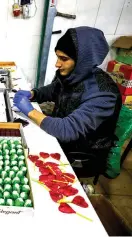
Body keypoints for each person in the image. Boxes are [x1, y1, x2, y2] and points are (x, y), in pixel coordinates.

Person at [13, 27, 122, 176]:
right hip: (62, 137)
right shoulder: (74, 75)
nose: (57, 64)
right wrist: (33, 94)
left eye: (64, 59)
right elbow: (54, 89)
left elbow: (67, 130)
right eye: (57, 57)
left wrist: (30, 111)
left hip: (82, 153)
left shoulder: (104, 94)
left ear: (84, 60)